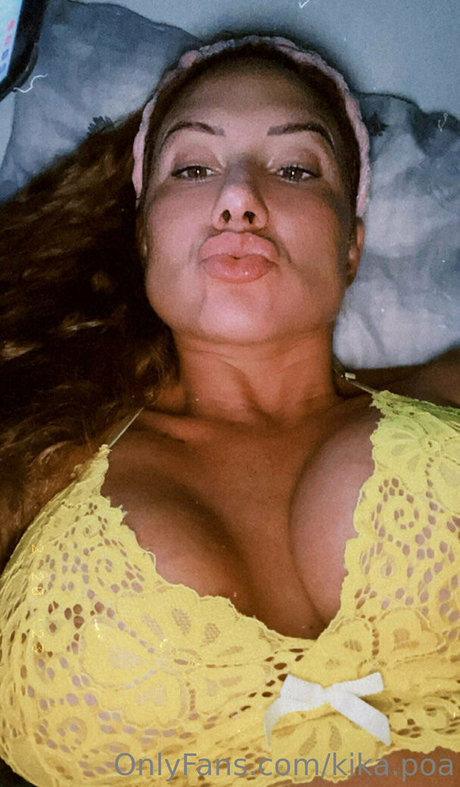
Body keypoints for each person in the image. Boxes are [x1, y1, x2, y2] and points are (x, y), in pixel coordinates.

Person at [0, 33, 459, 787]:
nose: (239, 198)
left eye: (295, 169)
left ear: (351, 245)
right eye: (193, 168)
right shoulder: (28, 450)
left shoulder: (442, 398)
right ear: (144, 234)